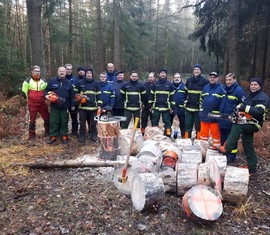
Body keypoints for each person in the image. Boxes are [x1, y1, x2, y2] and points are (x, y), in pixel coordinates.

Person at [217, 78, 270, 174]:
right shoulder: (249, 96)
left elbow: (259, 112)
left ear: (260, 86)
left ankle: (227, 147)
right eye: (252, 85)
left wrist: (244, 107)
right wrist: (239, 109)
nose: (253, 86)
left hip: (255, 123)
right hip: (247, 121)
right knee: (247, 145)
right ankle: (252, 167)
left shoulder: (263, 97)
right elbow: (243, 104)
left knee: (237, 125)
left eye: (255, 85)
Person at [218, 73, 246, 162]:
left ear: (234, 80)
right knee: (223, 138)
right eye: (227, 80)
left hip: (232, 120)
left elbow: (243, 104)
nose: (228, 82)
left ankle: (231, 156)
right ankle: (224, 154)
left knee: (231, 140)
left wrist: (237, 111)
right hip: (222, 118)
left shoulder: (239, 90)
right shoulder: (223, 89)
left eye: (230, 80)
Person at [45, 66, 75, 144]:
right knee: (54, 121)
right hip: (54, 106)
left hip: (65, 106)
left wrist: (72, 105)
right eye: (60, 71)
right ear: (57, 72)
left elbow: (72, 95)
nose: (62, 73)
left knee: (64, 122)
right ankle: (53, 136)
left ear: (65, 73)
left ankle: (64, 136)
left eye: (63, 71)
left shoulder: (68, 83)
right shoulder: (52, 81)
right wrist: (46, 96)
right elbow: (46, 90)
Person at [22, 65, 50, 140]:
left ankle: (48, 132)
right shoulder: (27, 81)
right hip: (32, 104)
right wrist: (27, 101)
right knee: (32, 120)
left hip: (42, 103)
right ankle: (31, 136)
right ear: (32, 72)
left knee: (47, 118)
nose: (37, 73)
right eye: (36, 71)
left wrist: (46, 99)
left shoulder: (44, 81)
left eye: (38, 71)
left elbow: (47, 91)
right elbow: (24, 92)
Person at [75, 68, 102, 143]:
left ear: (92, 74)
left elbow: (99, 95)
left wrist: (99, 104)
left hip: (93, 108)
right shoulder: (80, 83)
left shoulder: (96, 84)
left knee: (93, 123)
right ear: (85, 74)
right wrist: (79, 97)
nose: (89, 75)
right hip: (82, 107)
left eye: (90, 73)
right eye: (87, 73)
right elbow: (75, 93)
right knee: (82, 122)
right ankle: (82, 135)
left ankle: (94, 135)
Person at [198, 72, 224, 148]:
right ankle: (203, 150)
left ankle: (215, 151)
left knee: (216, 136)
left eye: (214, 77)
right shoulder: (205, 87)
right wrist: (201, 111)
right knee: (203, 135)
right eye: (211, 77)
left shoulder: (222, 88)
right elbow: (201, 100)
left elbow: (223, 102)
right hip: (205, 115)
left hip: (215, 117)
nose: (212, 79)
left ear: (217, 78)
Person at [184, 64, 209, 138]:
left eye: (198, 69)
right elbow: (185, 93)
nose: (196, 71)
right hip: (188, 108)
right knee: (187, 125)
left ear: (200, 71)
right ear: (193, 71)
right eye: (195, 69)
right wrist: (185, 102)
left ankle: (198, 141)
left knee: (198, 126)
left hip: (199, 108)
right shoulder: (189, 80)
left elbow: (207, 94)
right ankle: (186, 140)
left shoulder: (205, 81)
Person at [149, 68, 175, 137]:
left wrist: (172, 106)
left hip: (166, 108)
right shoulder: (155, 84)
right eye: (161, 73)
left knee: (167, 123)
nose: (163, 74)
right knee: (154, 122)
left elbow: (172, 96)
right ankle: (154, 136)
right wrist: (150, 105)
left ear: (166, 75)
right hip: (156, 107)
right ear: (159, 74)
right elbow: (151, 95)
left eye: (164, 73)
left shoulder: (170, 84)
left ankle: (168, 135)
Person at [64, 63, 79, 136]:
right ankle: (64, 132)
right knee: (64, 118)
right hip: (64, 102)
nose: (69, 71)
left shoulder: (75, 80)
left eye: (70, 69)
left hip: (73, 101)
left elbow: (78, 91)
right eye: (67, 69)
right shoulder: (62, 79)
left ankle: (74, 132)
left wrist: (75, 101)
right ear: (65, 69)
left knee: (74, 118)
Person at [171, 73, 186, 138]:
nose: (176, 79)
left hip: (181, 108)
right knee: (169, 123)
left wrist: (184, 105)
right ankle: (168, 135)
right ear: (173, 78)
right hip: (172, 108)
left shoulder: (184, 87)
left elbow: (187, 97)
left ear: (181, 78)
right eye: (175, 77)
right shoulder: (170, 86)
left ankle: (184, 136)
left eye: (178, 77)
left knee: (183, 123)